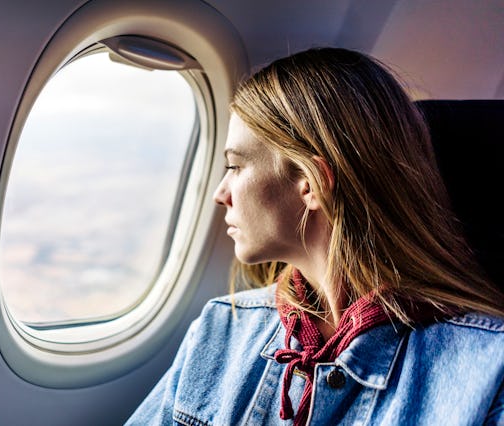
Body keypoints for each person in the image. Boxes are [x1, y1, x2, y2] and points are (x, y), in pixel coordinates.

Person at [124, 47, 504, 425]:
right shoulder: (221, 329)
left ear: (313, 182)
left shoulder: (489, 368)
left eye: (236, 166)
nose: (220, 194)